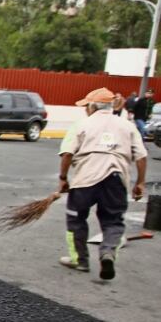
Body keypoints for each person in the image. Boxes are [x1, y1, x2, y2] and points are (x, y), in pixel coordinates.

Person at [58, 87, 147, 280]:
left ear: (92, 106)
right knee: (113, 221)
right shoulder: (127, 126)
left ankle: (80, 260)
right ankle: (107, 252)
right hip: (116, 180)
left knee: (76, 218)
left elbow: (67, 154)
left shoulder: (82, 125)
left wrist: (63, 178)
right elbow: (141, 157)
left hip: (86, 179)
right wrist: (140, 183)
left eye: (86, 106)